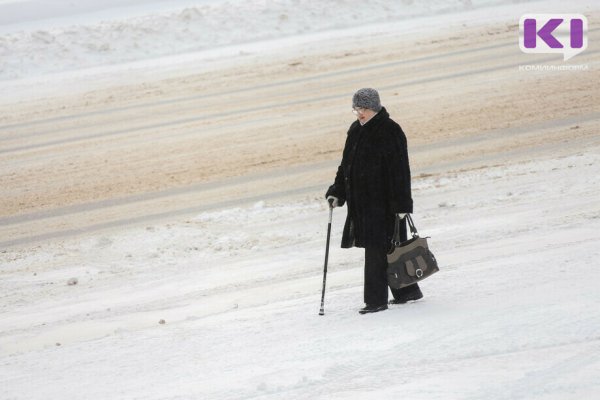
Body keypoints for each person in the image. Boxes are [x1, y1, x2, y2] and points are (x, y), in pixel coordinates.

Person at [325, 88, 423, 314]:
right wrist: (337, 192)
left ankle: (375, 301)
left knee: (376, 251)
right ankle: (408, 291)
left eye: (363, 109)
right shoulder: (355, 131)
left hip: (385, 204)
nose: (359, 113)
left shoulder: (390, 131)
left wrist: (402, 206)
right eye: (356, 109)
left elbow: (400, 171)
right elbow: (346, 166)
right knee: (390, 250)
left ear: (375, 108)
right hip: (362, 204)